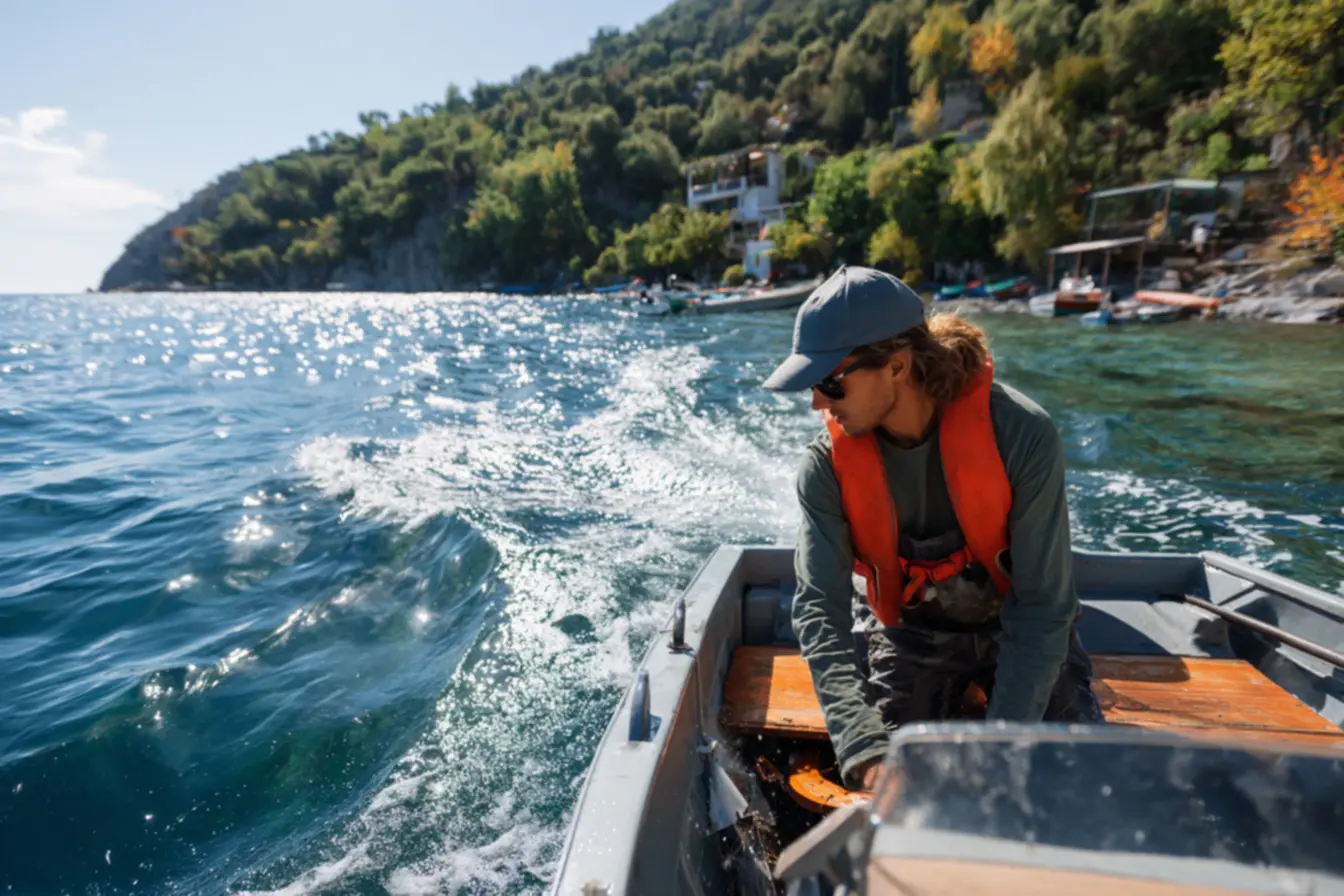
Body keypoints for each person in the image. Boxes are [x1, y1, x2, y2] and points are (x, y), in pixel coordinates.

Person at [763, 266, 1102, 791]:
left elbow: (1042, 607)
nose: (818, 402)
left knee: (1082, 782)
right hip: (911, 632)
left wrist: (998, 752)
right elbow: (820, 611)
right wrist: (863, 746)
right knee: (901, 787)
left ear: (897, 366)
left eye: (830, 382)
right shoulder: (824, 469)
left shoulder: (1022, 435)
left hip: (1017, 626)